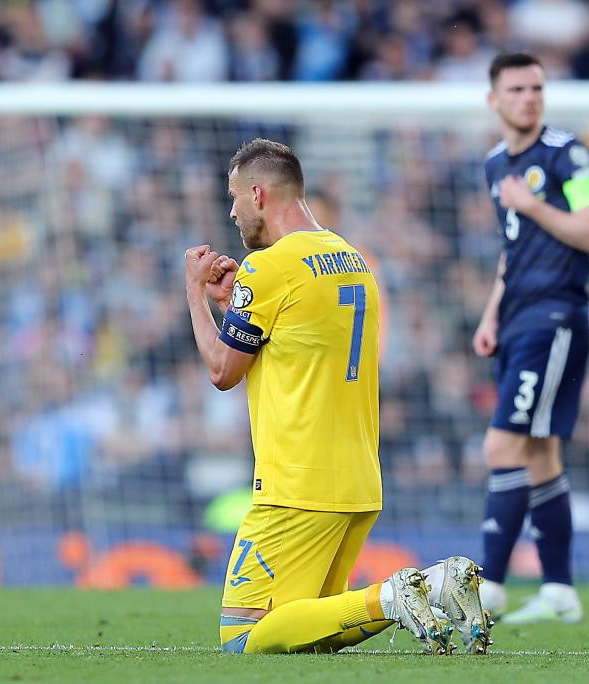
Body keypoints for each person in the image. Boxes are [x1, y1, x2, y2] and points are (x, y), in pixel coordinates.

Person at [185, 138, 491, 655]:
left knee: (243, 635)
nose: (232, 211)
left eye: (234, 197)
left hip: (296, 482)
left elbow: (222, 370)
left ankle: (391, 596)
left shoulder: (270, 266)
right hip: (357, 481)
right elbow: (292, 335)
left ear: (258, 194)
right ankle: (436, 586)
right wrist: (237, 302)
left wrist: (194, 291)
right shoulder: (352, 258)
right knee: (311, 633)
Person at [474, 53, 589, 624]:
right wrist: (490, 314)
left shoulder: (567, 154)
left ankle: (489, 588)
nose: (529, 97)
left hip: (554, 317)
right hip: (517, 319)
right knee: (540, 455)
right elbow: (513, 252)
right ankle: (559, 590)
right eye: (517, 89)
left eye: (537, 87)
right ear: (494, 100)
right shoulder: (493, 165)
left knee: (501, 447)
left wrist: (534, 205)